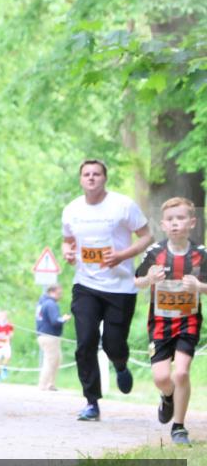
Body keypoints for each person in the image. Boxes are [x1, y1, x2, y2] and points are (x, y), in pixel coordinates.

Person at [62, 159, 152, 421]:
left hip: (120, 287)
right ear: (81, 180)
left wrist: (122, 255)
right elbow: (68, 241)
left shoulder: (123, 206)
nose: (91, 178)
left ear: (104, 178)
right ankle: (92, 402)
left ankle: (120, 363)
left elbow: (147, 236)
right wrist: (67, 252)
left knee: (114, 344)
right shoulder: (71, 210)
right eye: (86, 174)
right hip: (86, 285)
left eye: (96, 174)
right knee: (85, 341)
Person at [134, 197, 207, 445]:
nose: (175, 223)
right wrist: (148, 280)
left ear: (192, 222)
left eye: (181, 218)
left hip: (188, 321)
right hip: (160, 323)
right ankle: (167, 396)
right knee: (162, 378)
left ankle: (179, 426)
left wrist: (199, 286)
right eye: (170, 219)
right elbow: (136, 280)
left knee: (182, 372)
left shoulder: (200, 254)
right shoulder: (155, 253)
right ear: (163, 225)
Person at [36, 284, 70, 391]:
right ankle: (43, 385)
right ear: (52, 292)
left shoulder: (42, 303)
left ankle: (51, 383)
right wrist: (64, 319)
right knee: (50, 360)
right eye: (58, 293)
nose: (60, 296)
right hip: (49, 336)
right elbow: (55, 321)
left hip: (43, 335)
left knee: (57, 359)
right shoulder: (51, 304)